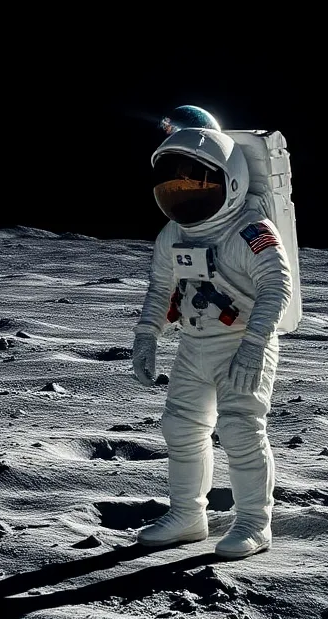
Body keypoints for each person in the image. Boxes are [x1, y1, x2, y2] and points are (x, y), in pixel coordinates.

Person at [130, 124, 293, 559]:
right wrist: (147, 336)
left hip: (241, 344)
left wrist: (255, 344)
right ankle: (187, 516)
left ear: (231, 181)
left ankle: (255, 524)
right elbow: (161, 289)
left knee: (240, 430)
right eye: (173, 183)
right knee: (181, 429)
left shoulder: (248, 232)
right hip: (194, 345)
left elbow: (277, 286)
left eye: (194, 182)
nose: (181, 192)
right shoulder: (174, 233)